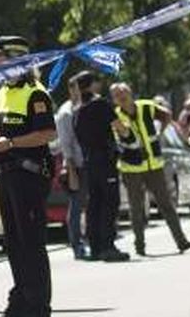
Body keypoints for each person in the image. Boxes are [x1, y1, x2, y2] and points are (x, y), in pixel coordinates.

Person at [0, 36, 57, 317]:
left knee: (31, 242)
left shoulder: (35, 93)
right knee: (14, 242)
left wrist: (12, 143)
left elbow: (48, 133)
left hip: (28, 175)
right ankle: (21, 298)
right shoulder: (2, 92)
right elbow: (0, 127)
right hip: (6, 176)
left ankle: (38, 305)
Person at [109, 82, 190, 256]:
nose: (121, 96)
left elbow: (167, 115)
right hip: (131, 168)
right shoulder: (115, 116)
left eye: (123, 92)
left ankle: (181, 241)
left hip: (153, 165)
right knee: (136, 208)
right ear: (114, 100)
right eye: (117, 95)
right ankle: (140, 246)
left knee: (166, 205)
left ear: (130, 92)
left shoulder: (145, 106)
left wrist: (160, 132)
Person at [72, 71, 129, 262]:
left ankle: (95, 247)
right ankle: (108, 246)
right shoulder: (101, 104)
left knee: (94, 204)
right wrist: (127, 133)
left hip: (89, 162)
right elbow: (121, 128)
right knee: (110, 202)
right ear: (92, 84)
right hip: (105, 160)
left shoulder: (77, 110)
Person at [54, 76, 87, 259]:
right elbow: (66, 144)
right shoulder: (65, 113)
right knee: (75, 207)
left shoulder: (82, 108)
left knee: (86, 206)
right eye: (76, 88)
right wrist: (71, 171)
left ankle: (88, 242)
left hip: (86, 163)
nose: (80, 91)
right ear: (71, 90)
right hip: (75, 165)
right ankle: (77, 245)